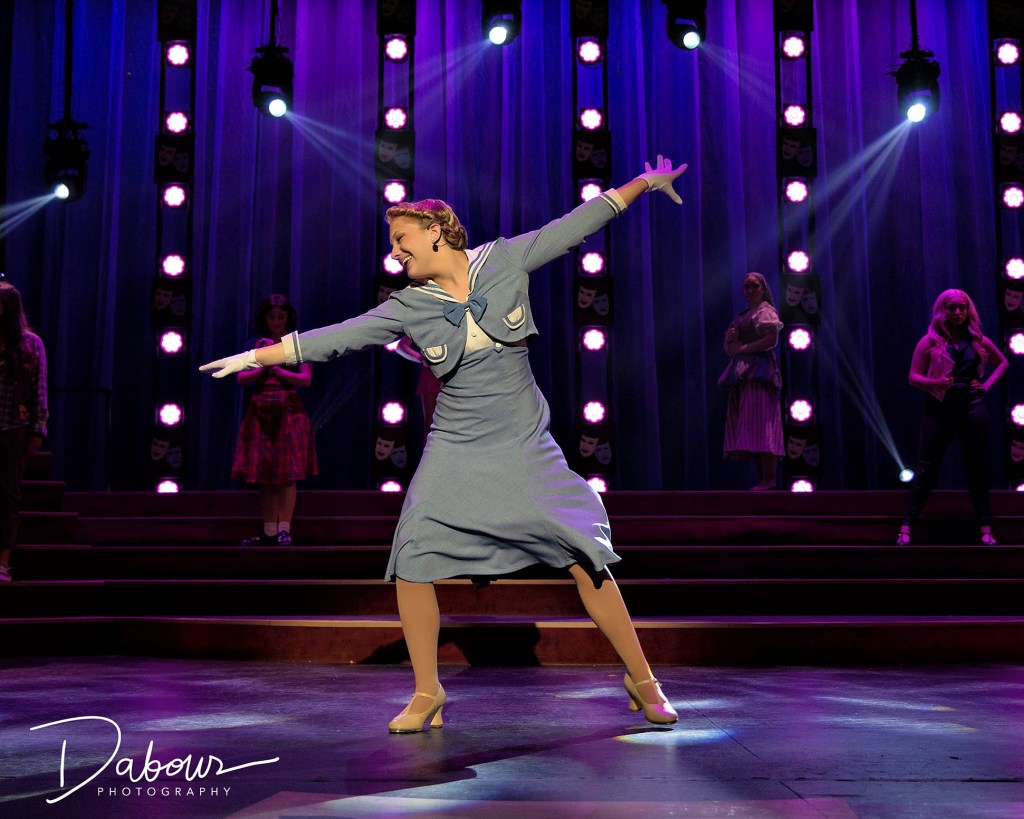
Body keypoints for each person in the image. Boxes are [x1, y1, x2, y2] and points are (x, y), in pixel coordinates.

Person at [202, 155, 687, 731]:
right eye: (393, 245)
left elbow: (576, 224)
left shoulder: (506, 259)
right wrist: (258, 355)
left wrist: (645, 183)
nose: (396, 252)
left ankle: (643, 679)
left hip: (523, 440)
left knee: (585, 551)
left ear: (436, 231)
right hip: (455, 442)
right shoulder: (408, 306)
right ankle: (427, 692)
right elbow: (343, 336)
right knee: (412, 555)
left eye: (403, 240)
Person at [897, 289, 1008, 546]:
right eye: (952, 308)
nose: (958, 312)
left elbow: (1002, 362)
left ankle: (985, 526)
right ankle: (906, 525)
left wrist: (987, 384)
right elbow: (913, 377)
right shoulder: (930, 342)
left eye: (962, 308)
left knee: (976, 467)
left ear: (968, 310)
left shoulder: (978, 340)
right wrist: (935, 382)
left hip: (971, 405)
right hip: (939, 407)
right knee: (926, 468)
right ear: (942, 311)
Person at [231, 294, 318, 545]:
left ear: (288, 317)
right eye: (272, 317)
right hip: (260, 412)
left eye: (281, 317)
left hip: (289, 412)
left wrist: (279, 368)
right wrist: (263, 365)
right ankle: (269, 531)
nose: (277, 321)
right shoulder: (256, 343)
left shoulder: (298, 343)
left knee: (287, 474)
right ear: (265, 318)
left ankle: (284, 530)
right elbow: (242, 379)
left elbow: (306, 379)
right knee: (264, 475)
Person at [0, 280, 48, 582]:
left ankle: (2, 563)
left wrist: (37, 430)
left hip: (11, 428)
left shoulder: (30, 344)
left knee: (6, 496)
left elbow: (38, 389)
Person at [720, 272, 784, 490]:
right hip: (745, 373)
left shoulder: (765, 312)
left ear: (763, 288)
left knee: (764, 423)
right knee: (754, 425)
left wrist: (744, 348)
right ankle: (764, 480)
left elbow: (771, 339)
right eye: (746, 287)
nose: (750, 290)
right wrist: (732, 342)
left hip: (760, 372)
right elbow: (731, 349)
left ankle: (769, 479)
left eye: (754, 286)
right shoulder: (744, 315)